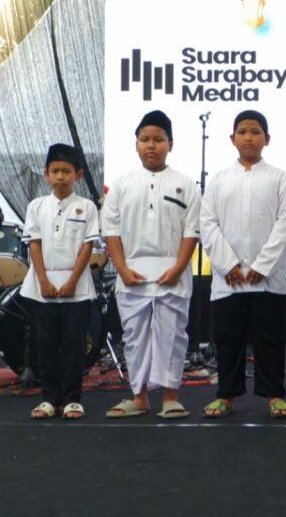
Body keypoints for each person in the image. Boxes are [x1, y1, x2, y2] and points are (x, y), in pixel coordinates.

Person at [199, 110, 286, 419]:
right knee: (228, 339)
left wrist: (262, 265)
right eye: (242, 132)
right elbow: (208, 224)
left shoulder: (279, 178)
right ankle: (225, 395)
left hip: (267, 279)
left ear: (267, 139)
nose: (249, 138)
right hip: (228, 279)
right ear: (232, 139)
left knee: (269, 338)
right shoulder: (218, 180)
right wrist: (228, 264)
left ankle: (274, 395)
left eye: (255, 132)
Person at [103, 111, 200, 420]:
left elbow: (192, 231)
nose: (151, 145)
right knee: (135, 337)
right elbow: (111, 231)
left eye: (158, 139)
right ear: (136, 144)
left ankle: (171, 397)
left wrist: (178, 268)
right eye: (145, 139)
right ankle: (139, 397)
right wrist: (121, 269)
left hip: (173, 272)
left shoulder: (185, 183)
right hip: (131, 272)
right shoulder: (121, 184)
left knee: (172, 335)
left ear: (170, 144)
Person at [20, 143, 100, 419]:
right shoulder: (36, 206)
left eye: (66, 171)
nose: (60, 177)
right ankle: (49, 399)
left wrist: (72, 281)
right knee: (46, 344)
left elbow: (88, 246)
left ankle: (71, 399)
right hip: (43, 286)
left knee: (73, 345)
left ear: (78, 175)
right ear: (46, 174)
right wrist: (42, 280)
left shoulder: (86, 207)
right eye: (55, 171)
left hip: (76, 286)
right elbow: (34, 243)